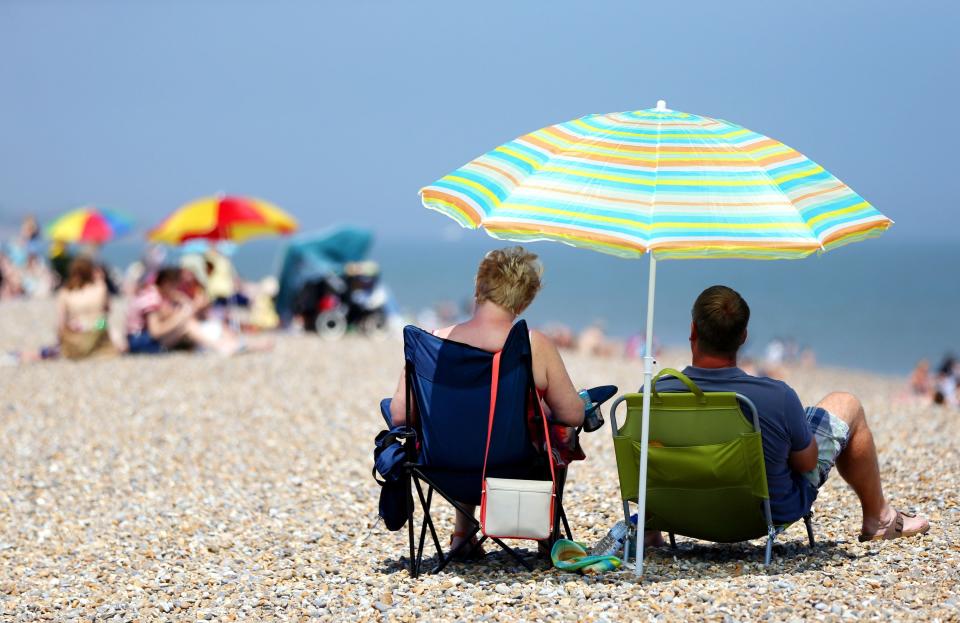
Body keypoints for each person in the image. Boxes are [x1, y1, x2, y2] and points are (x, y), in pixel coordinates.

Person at [650, 285, 929, 543]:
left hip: (681, 515)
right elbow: (807, 464)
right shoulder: (776, 396)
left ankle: (650, 531)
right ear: (743, 337)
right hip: (762, 516)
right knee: (845, 403)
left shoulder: (655, 394)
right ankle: (878, 518)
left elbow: (648, 464)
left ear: (693, 330)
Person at [388, 246, 585, 556]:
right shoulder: (532, 345)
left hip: (441, 470)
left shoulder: (432, 341)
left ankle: (462, 534)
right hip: (513, 470)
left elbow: (400, 416)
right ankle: (546, 537)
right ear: (525, 299)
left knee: (464, 419)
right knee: (558, 434)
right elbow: (573, 414)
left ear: (478, 288)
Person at [126, 267, 241, 356]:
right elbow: (155, 331)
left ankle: (223, 344)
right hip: (140, 341)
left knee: (187, 323)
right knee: (186, 325)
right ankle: (219, 346)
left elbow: (170, 315)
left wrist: (181, 302)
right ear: (166, 283)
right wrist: (180, 317)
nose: (176, 288)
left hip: (140, 339)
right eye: (174, 285)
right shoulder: (152, 298)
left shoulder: (156, 295)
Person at [56, 256, 119, 360]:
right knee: (102, 321)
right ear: (90, 272)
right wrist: (101, 279)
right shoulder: (100, 287)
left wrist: (61, 338)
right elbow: (108, 309)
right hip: (98, 326)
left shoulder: (65, 292)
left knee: (77, 323)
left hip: (78, 328)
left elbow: (61, 322)